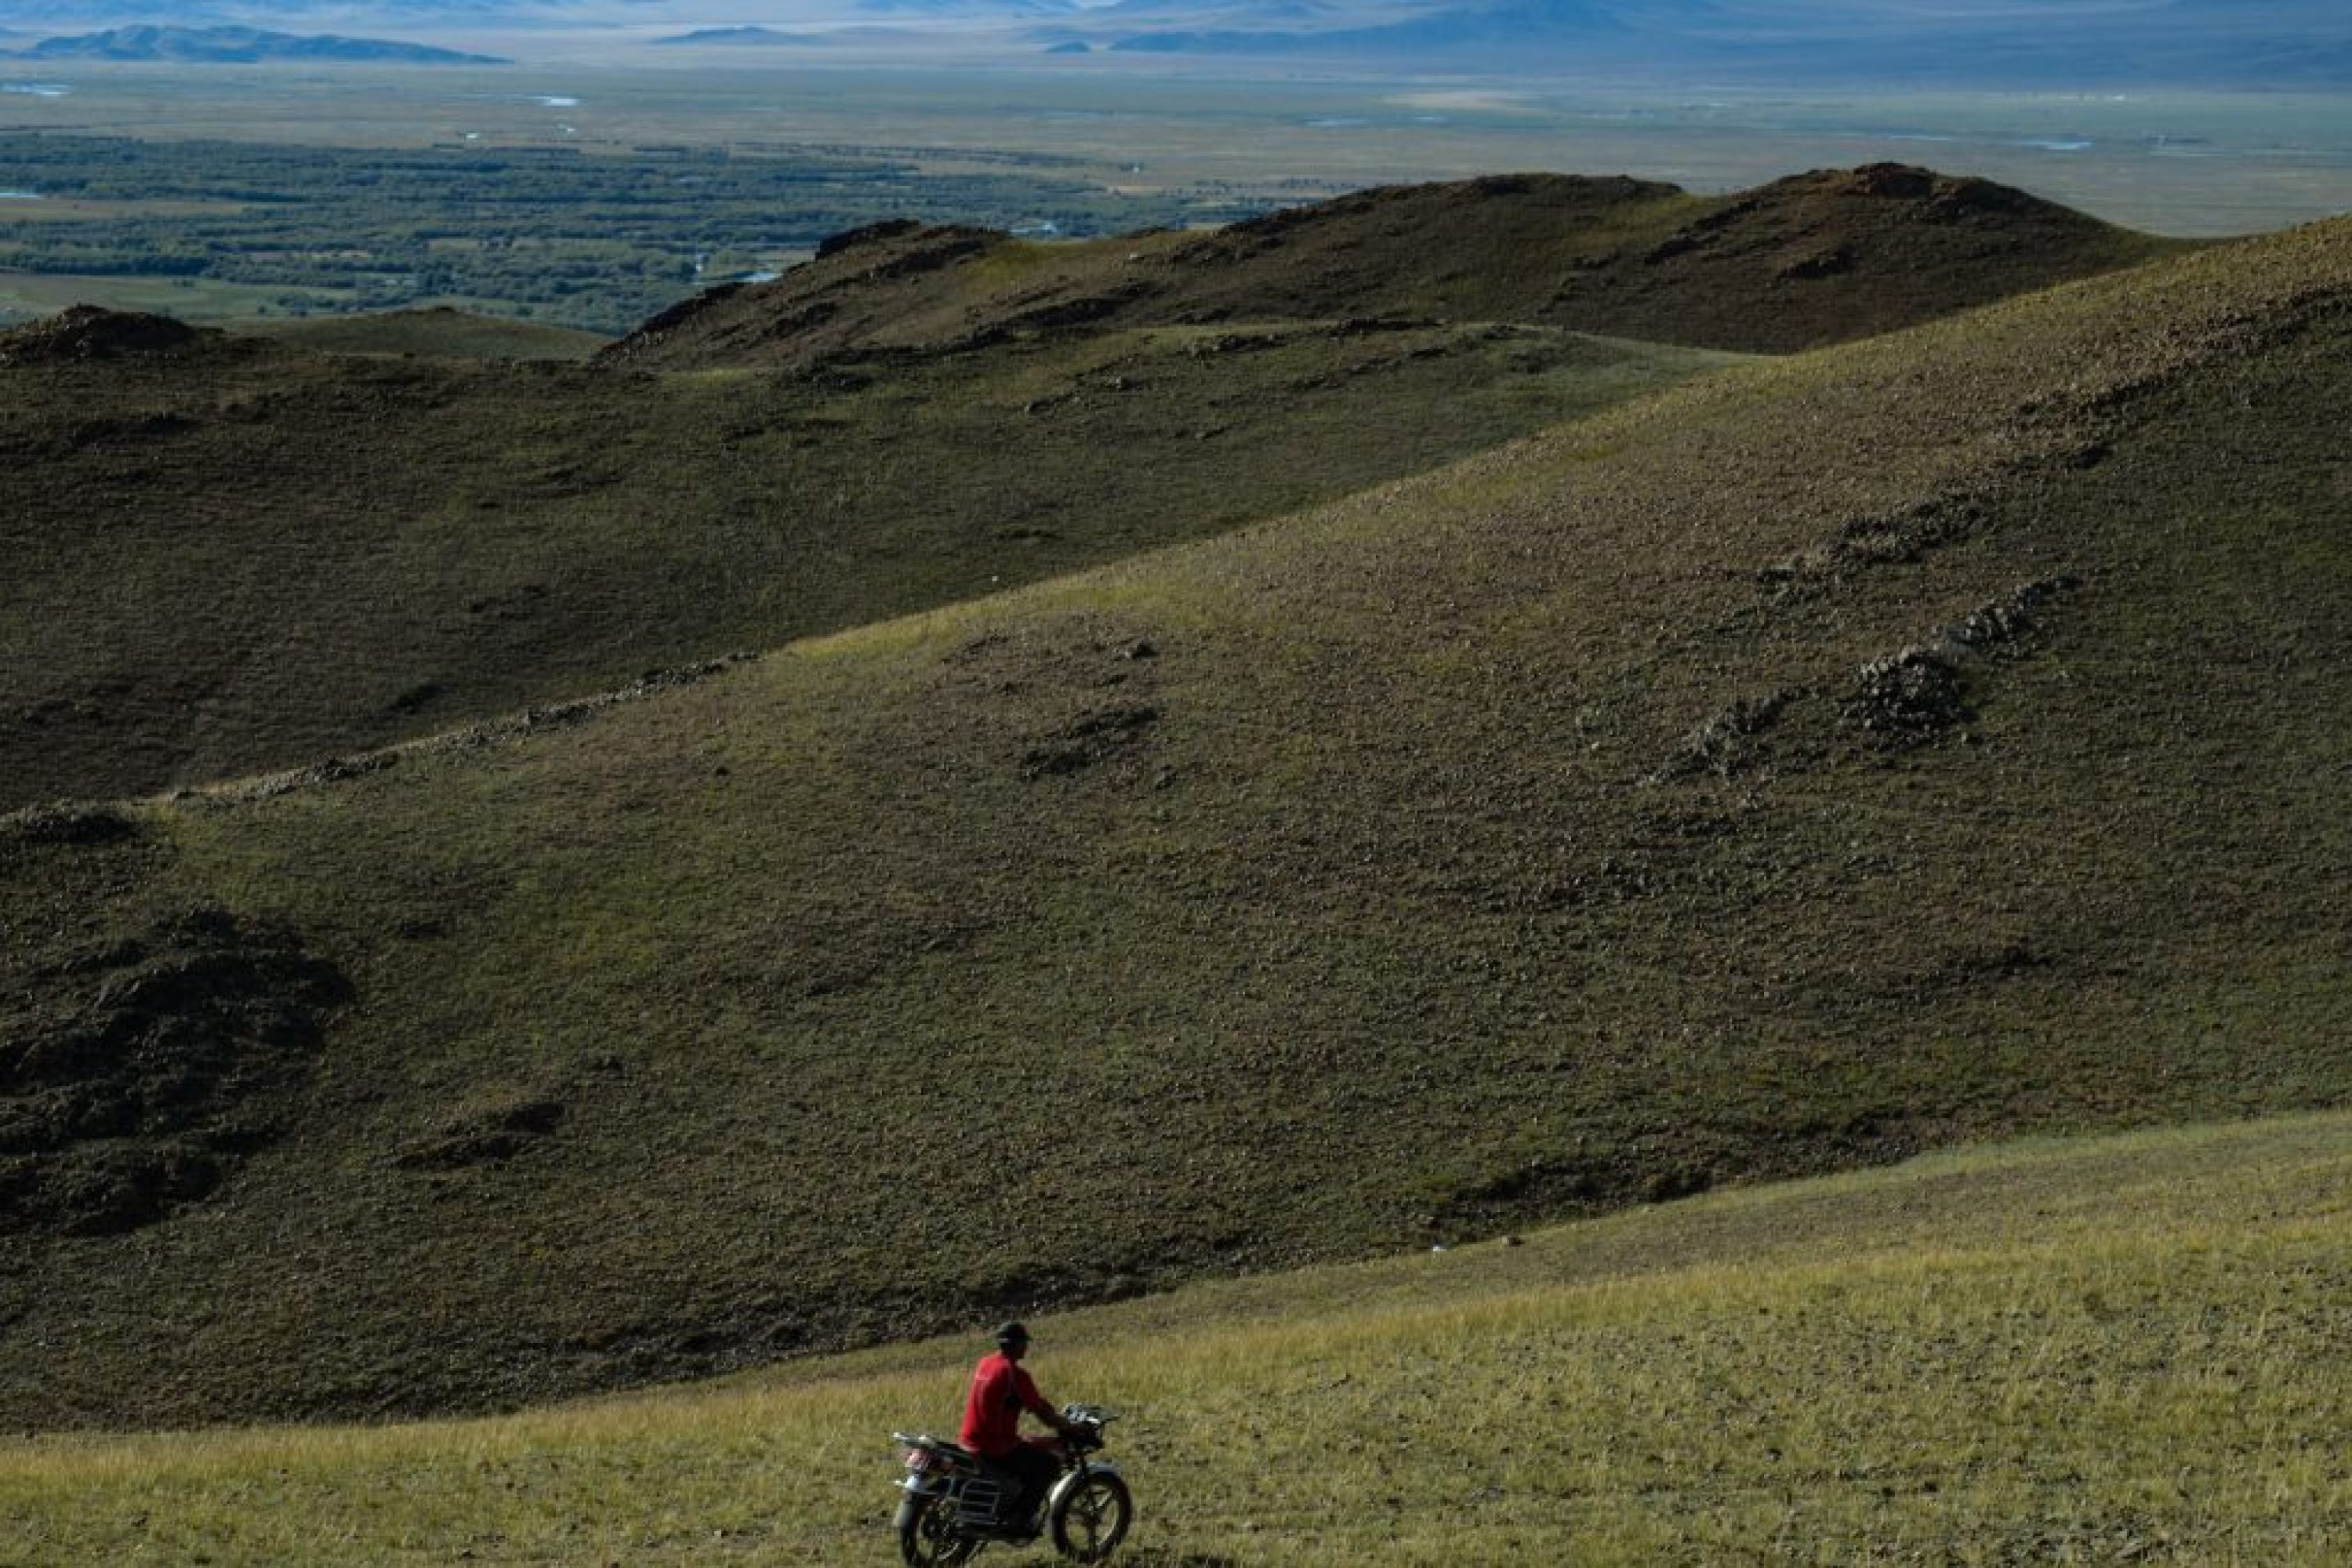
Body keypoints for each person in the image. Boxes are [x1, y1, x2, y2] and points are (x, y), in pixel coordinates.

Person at [959, 1320, 1076, 1528]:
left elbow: (1032, 1402)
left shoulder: (985, 1363)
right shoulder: (1014, 1374)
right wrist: (1069, 1425)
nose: (1026, 1347)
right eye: (1024, 1343)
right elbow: (1043, 1414)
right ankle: (1020, 1519)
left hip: (969, 1439)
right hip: (994, 1447)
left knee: (1028, 1444)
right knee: (1048, 1464)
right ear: (1018, 1345)